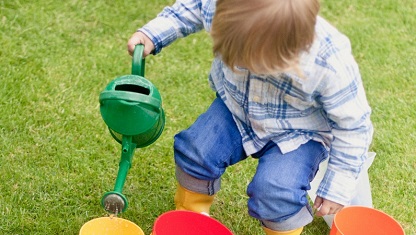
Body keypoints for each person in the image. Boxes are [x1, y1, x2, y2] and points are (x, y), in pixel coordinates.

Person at [127, 0, 374, 234]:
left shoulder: (329, 60)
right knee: (196, 151)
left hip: (299, 133)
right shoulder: (222, 6)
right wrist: (153, 34)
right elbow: (194, 6)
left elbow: (353, 126)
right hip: (236, 108)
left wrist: (337, 187)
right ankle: (191, 218)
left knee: (276, 191)